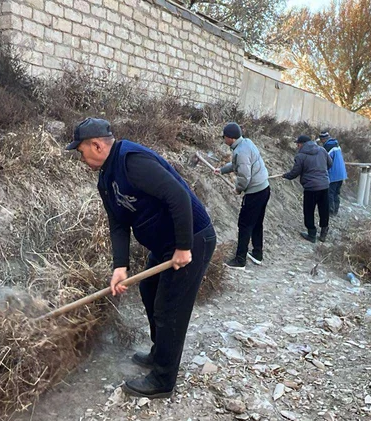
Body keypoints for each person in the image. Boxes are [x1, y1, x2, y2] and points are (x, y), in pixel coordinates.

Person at [65, 117, 216, 399]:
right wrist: (120, 266)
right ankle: (161, 353)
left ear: (96, 145)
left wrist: (184, 247)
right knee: (149, 290)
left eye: (81, 151)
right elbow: (118, 224)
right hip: (165, 245)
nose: (81, 158)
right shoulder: (106, 180)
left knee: (170, 308)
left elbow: (179, 197)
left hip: (193, 238)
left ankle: (163, 380)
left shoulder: (132, 161)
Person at [213, 122, 270, 268]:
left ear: (230, 138)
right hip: (264, 188)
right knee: (257, 223)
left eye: (224, 137)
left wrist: (238, 189)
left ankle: (240, 260)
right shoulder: (246, 143)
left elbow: (244, 176)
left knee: (244, 224)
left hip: (255, 193)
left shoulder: (240, 151)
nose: (224, 139)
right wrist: (222, 170)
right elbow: (236, 165)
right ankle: (257, 254)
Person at [283, 135, 332, 243]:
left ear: (302, 144)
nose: (297, 146)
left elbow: (295, 172)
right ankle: (324, 232)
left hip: (311, 187)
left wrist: (286, 175)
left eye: (298, 144)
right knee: (324, 209)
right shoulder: (322, 150)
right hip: (324, 185)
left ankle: (311, 234)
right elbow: (330, 163)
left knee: (309, 211)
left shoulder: (300, 156)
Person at [320, 130, 347, 216]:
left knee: (330, 193)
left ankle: (330, 212)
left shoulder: (328, 147)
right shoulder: (336, 144)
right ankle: (335, 211)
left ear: (323, 139)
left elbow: (326, 161)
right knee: (336, 193)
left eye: (321, 140)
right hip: (341, 173)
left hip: (333, 174)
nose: (321, 141)